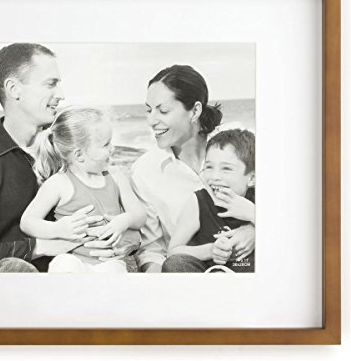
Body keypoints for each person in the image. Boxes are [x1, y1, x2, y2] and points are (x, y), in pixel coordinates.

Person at [0, 43, 135, 272]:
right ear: (14, 89)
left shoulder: (71, 150)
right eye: (50, 84)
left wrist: (123, 245)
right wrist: (40, 247)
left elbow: (122, 216)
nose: (61, 95)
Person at [131, 65, 256, 273]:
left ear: (195, 111)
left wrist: (254, 229)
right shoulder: (144, 171)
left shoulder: (236, 148)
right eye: (149, 110)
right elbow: (153, 250)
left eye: (163, 110)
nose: (151, 121)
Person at [21, 107, 145, 272]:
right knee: (63, 263)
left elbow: (140, 216)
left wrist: (124, 221)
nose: (112, 148)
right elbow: (28, 222)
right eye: (105, 144)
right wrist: (58, 229)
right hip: (73, 260)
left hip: (108, 261)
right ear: (79, 155)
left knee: (114, 271)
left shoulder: (116, 176)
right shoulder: (59, 183)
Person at [163, 129, 256, 273]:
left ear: (252, 178)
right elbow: (173, 251)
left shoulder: (261, 198)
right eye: (209, 167)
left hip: (246, 274)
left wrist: (252, 213)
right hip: (207, 272)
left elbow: (282, 232)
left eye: (226, 168)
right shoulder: (198, 202)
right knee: (174, 264)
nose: (214, 177)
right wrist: (211, 250)